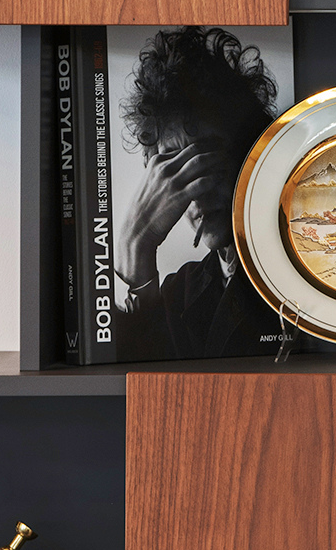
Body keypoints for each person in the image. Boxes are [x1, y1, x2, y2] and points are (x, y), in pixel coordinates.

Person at [112, 28, 280, 360]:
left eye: (207, 157)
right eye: (176, 169)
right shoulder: (180, 291)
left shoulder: (297, 274)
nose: (197, 187)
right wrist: (137, 252)